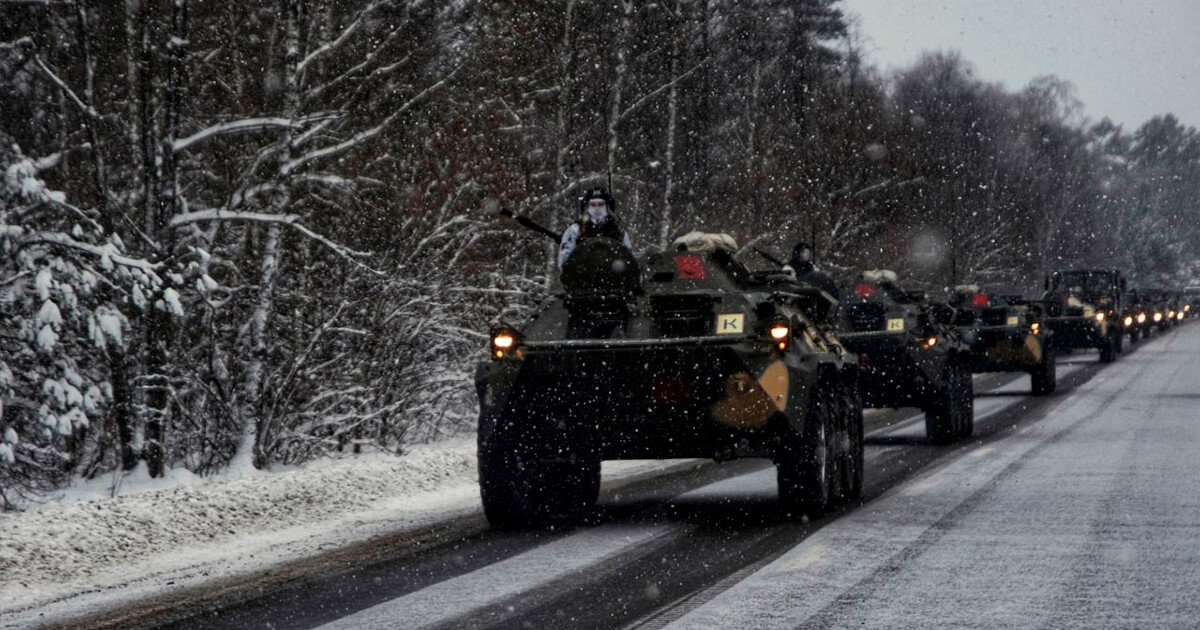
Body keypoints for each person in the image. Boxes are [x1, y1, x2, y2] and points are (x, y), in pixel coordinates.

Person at [557, 186, 633, 269]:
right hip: (583, 278)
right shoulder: (575, 230)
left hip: (613, 278)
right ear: (587, 206)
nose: (597, 208)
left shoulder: (619, 232)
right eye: (593, 204)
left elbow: (629, 261)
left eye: (600, 204)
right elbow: (564, 262)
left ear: (608, 207)